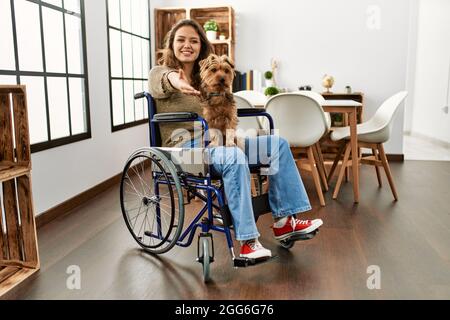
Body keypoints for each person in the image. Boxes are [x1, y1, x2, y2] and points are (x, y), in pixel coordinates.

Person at [148, 19, 323, 260]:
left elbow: (226, 109)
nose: (187, 45)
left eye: (193, 40)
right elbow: (167, 80)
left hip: (217, 141)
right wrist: (177, 81)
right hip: (185, 148)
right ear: (171, 44)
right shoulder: (159, 73)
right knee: (232, 155)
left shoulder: (207, 77)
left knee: (277, 145)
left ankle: (285, 221)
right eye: (181, 39)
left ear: (201, 46)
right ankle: (248, 241)